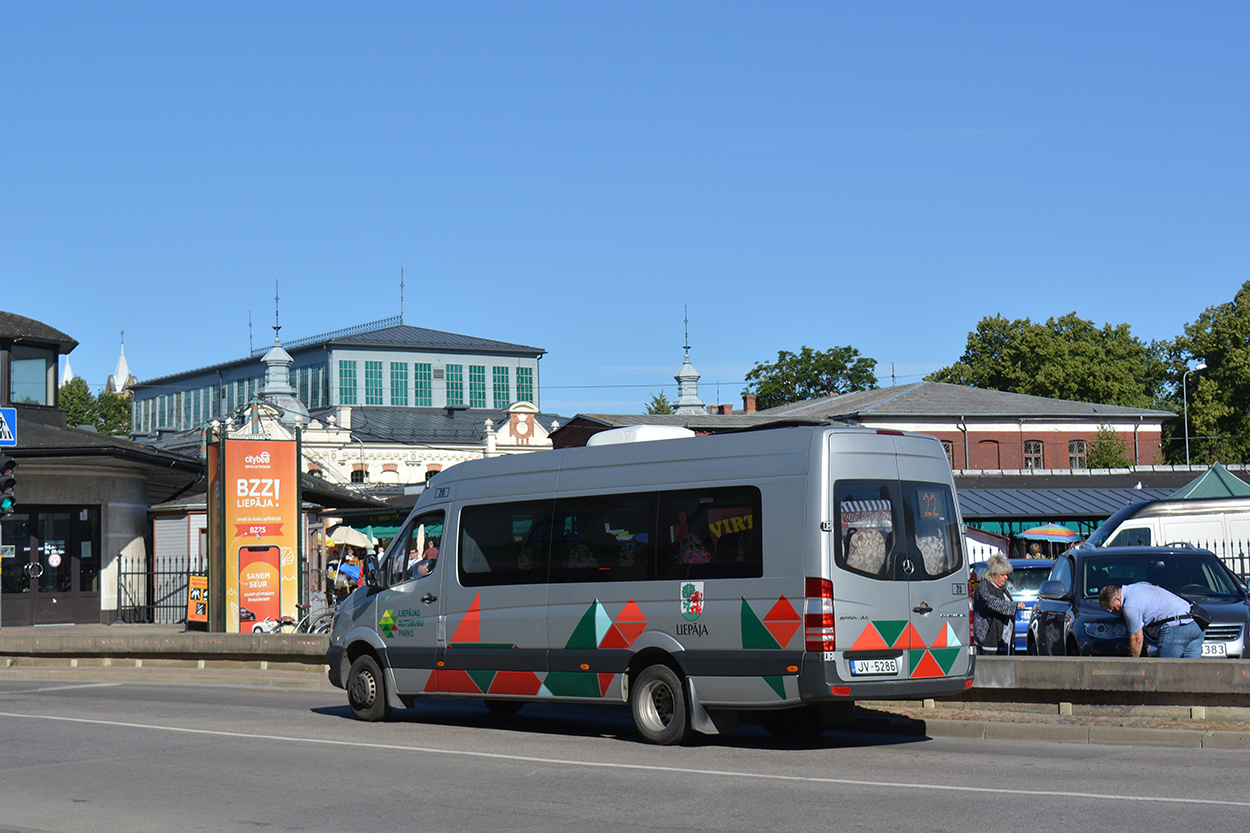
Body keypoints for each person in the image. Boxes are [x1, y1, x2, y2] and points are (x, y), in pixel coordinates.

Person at [1098, 583, 1204, 658]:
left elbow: (1137, 639)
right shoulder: (1138, 587)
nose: (1110, 611)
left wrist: (1130, 664)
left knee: (1165, 673)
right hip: (1195, 624)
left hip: (1176, 628)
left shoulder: (1130, 606)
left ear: (1117, 599)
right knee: (1192, 673)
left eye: (1111, 607)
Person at [973, 555, 1021, 654]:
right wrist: (1015, 606)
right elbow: (993, 603)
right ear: (993, 574)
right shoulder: (984, 587)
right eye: (1003, 575)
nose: (1006, 578)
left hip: (1004, 638)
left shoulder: (1003, 589)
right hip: (989, 638)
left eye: (1007, 575)